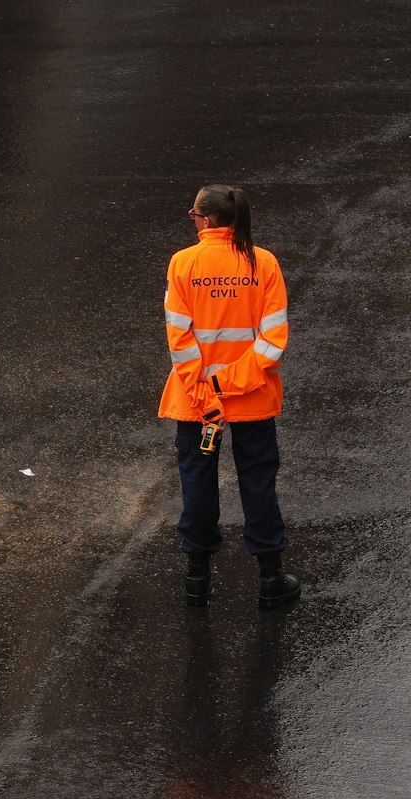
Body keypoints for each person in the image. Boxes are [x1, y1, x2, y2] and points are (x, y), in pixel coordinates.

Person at [159, 184, 300, 609]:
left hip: (196, 400)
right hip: (251, 399)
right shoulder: (264, 262)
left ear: (203, 220)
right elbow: (272, 341)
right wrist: (230, 385)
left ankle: (197, 580)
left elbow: (178, 338)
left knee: (197, 485)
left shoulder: (183, 263)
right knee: (258, 483)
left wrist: (207, 389)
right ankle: (271, 578)